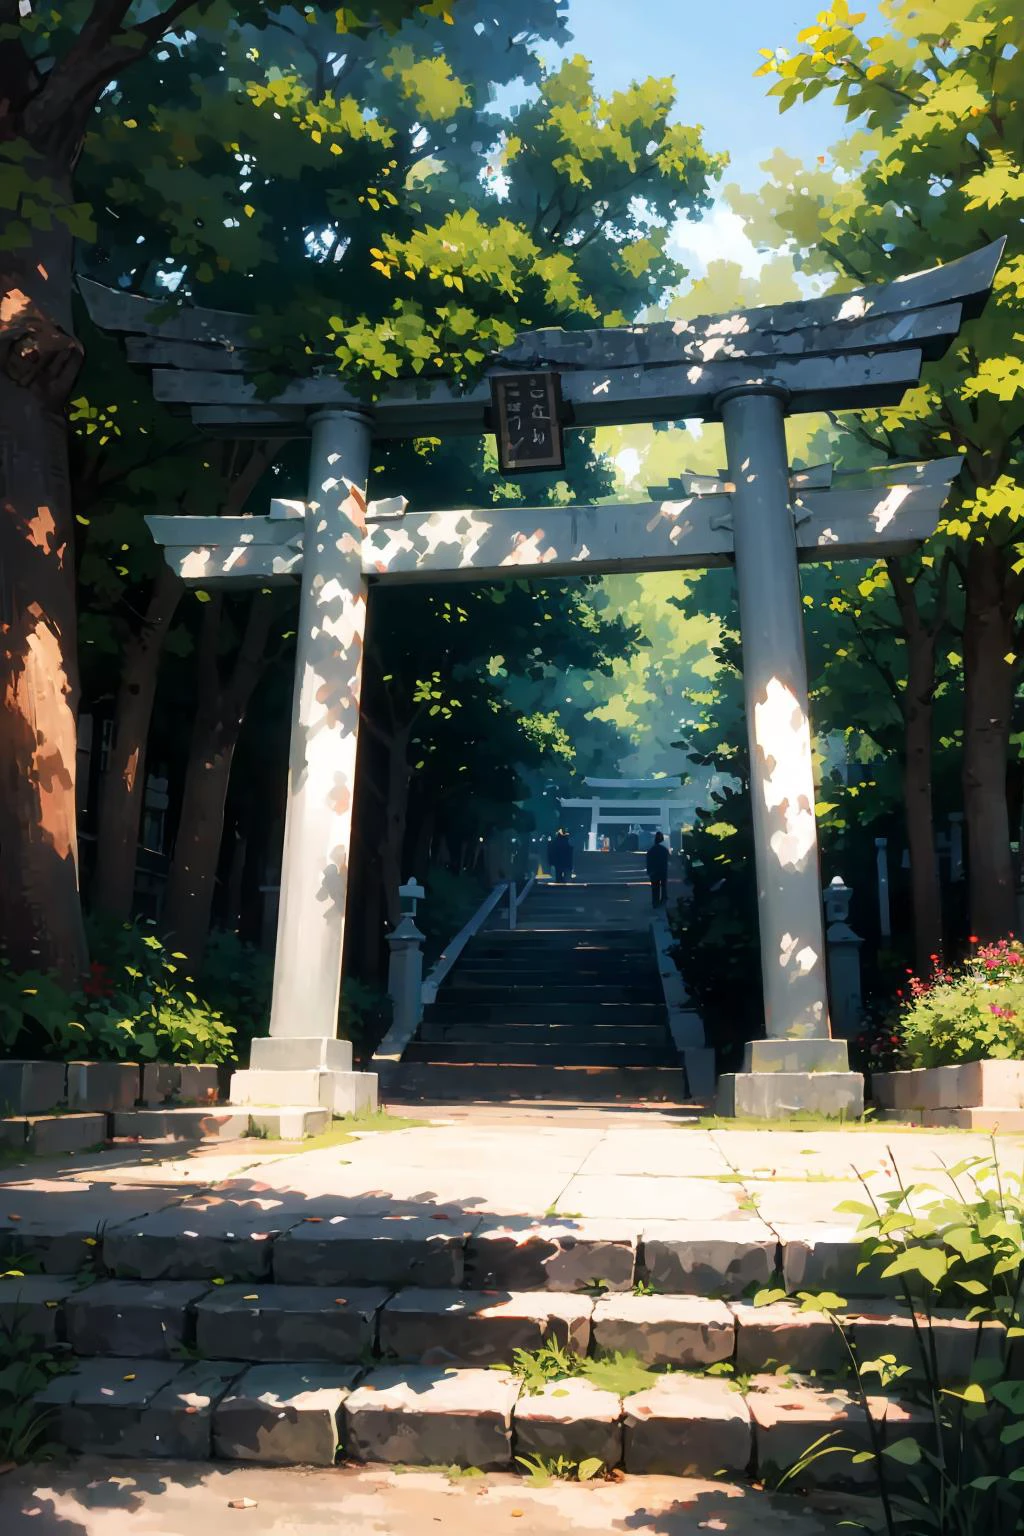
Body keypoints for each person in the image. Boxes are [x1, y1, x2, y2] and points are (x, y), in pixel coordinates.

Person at [646, 830, 669, 908]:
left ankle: (655, 902)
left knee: (655, 888)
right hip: (663, 871)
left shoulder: (651, 850)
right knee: (664, 886)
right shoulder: (665, 850)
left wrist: (649, 871)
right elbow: (668, 861)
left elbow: (649, 861)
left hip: (654, 871)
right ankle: (663, 900)